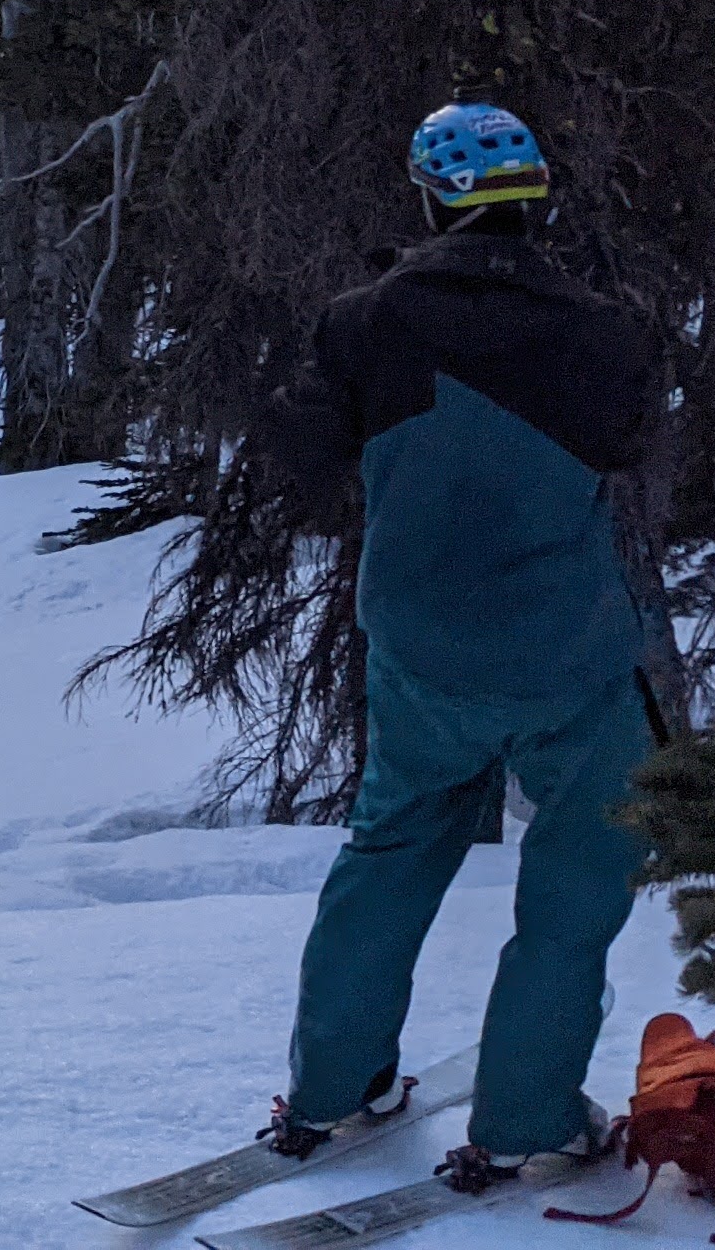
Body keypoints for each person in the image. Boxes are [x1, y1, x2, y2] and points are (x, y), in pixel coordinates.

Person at [255, 102, 663, 1194]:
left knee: (388, 856)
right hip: (568, 648)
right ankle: (528, 1117)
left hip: (422, 645)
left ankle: (333, 1092)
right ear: (539, 200)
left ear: (431, 200)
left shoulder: (363, 322)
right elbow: (630, 443)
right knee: (576, 885)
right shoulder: (608, 332)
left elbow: (300, 454)